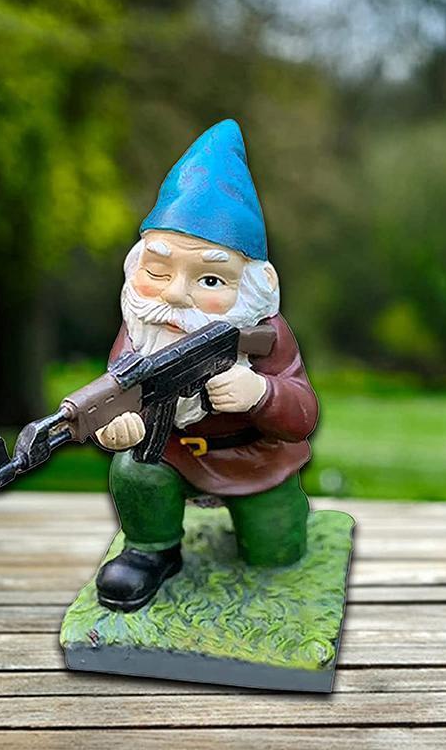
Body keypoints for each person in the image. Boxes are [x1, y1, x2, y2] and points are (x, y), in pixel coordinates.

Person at [93, 119, 319, 612]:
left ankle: (274, 535)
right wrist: (116, 425)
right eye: (158, 271)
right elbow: (118, 389)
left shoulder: (266, 337)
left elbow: (303, 413)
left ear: (256, 284)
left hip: (256, 463)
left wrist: (262, 394)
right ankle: (151, 550)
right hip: (170, 455)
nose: (175, 294)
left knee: (276, 551)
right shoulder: (143, 329)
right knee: (133, 470)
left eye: (211, 280)